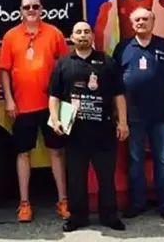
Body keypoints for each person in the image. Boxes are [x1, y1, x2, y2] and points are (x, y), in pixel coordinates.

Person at [48, 21, 128, 233]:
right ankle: (78, 218)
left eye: (86, 32)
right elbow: (54, 96)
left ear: (92, 36)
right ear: (72, 38)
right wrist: (55, 119)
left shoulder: (107, 62)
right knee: (76, 179)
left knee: (106, 177)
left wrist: (123, 122)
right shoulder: (63, 64)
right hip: (75, 133)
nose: (82, 35)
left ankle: (110, 217)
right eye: (78, 32)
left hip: (103, 132)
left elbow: (119, 95)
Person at [0, 0, 70, 222]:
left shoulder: (54, 33)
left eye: (35, 6)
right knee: (22, 153)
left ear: (42, 9)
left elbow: (66, 66)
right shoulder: (10, 36)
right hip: (22, 106)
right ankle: (24, 204)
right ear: (20, 10)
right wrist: (8, 99)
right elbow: (4, 71)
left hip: (53, 106)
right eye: (27, 6)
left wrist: (65, 102)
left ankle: (63, 200)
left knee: (57, 152)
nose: (31, 10)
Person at [115, 7, 164, 220]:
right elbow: (115, 85)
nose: (141, 22)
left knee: (161, 159)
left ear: (153, 22)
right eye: (137, 19)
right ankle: (138, 203)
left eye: (146, 19)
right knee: (135, 159)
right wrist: (120, 117)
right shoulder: (123, 48)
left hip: (161, 114)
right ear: (131, 23)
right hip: (133, 116)